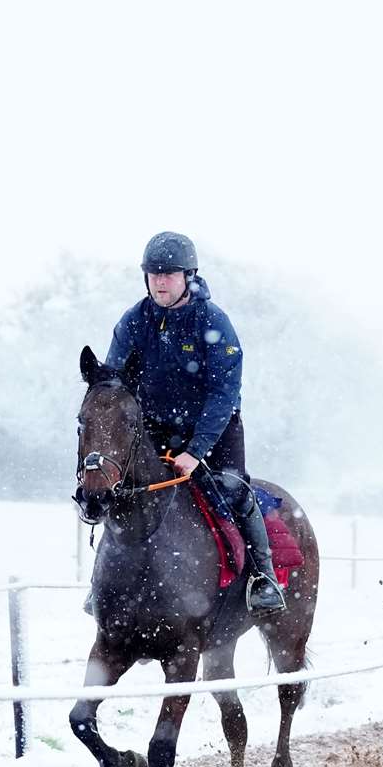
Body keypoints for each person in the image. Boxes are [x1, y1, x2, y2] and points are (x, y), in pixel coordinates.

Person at [102, 231, 286, 615]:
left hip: (213, 430)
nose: (160, 281)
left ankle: (261, 578)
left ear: (188, 276)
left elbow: (223, 393)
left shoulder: (213, 321)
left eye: (169, 273)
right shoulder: (133, 322)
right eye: (153, 274)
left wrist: (195, 451)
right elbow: (115, 385)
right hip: (152, 431)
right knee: (123, 494)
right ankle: (102, 585)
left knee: (233, 490)